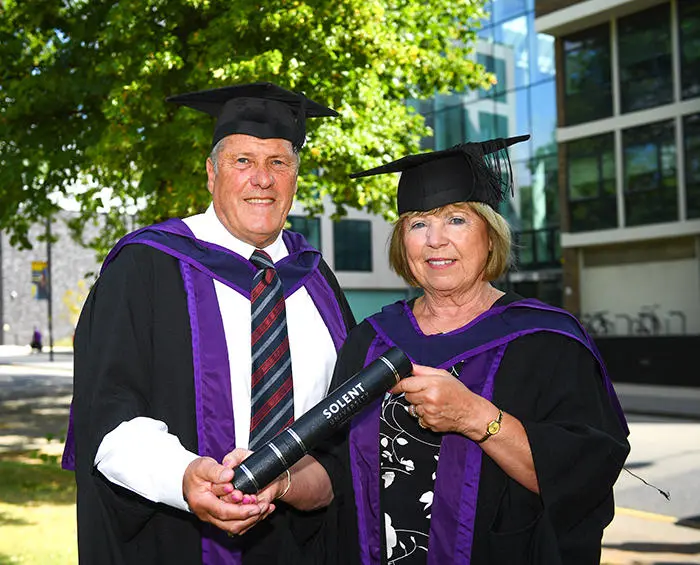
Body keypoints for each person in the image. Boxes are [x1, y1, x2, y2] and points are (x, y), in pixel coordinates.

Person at [277, 134, 631, 564]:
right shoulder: (370, 340)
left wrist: (474, 416)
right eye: (418, 223)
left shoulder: (548, 341)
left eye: (457, 220)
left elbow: (584, 479)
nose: (435, 240)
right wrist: (284, 483)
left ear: (490, 235)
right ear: (402, 244)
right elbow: (334, 474)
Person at [60, 82, 356, 565]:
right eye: (243, 161)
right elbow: (108, 409)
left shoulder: (316, 278)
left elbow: (346, 420)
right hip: (178, 539)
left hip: (308, 542)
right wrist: (184, 476)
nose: (262, 178)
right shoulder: (144, 268)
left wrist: (306, 484)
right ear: (211, 173)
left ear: (295, 178)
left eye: (278, 162)